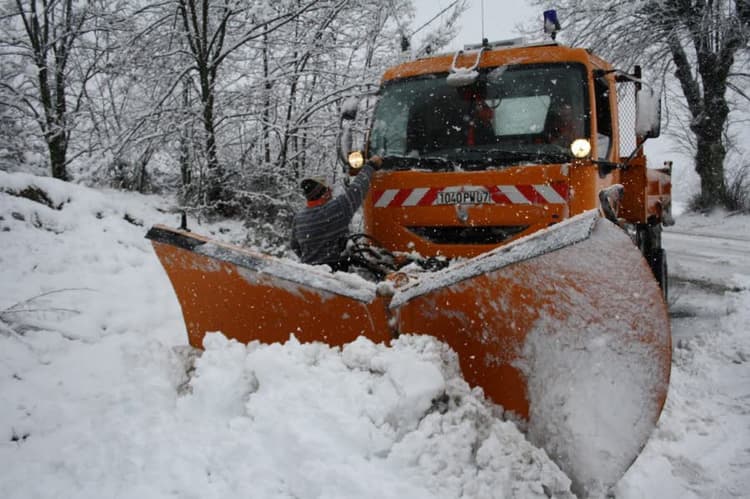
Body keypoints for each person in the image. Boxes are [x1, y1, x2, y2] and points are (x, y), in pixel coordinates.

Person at [290, 155, 382, 269]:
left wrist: (313, 258)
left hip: (310, 273)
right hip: (335, 272)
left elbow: (294, 246)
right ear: (326, 193)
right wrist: (370, 166)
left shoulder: (299, 218)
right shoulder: (336, 209)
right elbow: (358, 188)